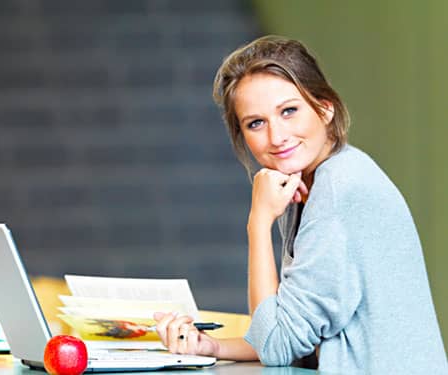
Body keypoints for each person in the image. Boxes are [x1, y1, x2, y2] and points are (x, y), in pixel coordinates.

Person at [153, 35, 447, 374]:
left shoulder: (339, 189)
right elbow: (290, 330)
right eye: (256, 123)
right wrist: (211, 346)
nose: (276, 137)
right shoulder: (310, 182)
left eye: (289, 111)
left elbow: (277, 344)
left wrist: (258, 222)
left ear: (325, 108)